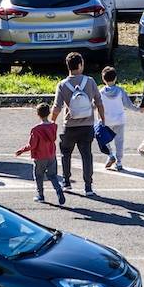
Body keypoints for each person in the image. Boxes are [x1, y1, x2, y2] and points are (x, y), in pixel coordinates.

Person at [50, 52, 106, 196]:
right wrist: (102, 119)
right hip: (87, 125)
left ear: (68, 66)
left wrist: (51, 122)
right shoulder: (90, 81)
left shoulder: (62, 84)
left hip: (69, 126)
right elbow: (99, 102)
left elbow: (57, 106)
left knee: (66, 153)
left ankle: (67, 182)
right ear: (80, 65)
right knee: (86, 154)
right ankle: (88, 186)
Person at [16, 103, 65, 205]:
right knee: (53, 175)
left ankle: (41, 195)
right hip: (51, 155)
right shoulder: (53, 126)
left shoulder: (36, 129)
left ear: (38, 114)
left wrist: (21, 150)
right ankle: (58, 190)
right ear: (49, 113)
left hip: (39, 156)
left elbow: (32, 145)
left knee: (39, 176)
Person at [99, 66, 140, 171]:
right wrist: (139, 109)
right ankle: (119, 162)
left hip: (106, 120)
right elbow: (128, 105)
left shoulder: (101, 92)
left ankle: (110, 155)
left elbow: (96, 106)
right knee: (119, 141)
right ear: (115, 78)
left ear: (103, 79)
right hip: (119, 120)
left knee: (104, 139)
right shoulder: (120, 91)